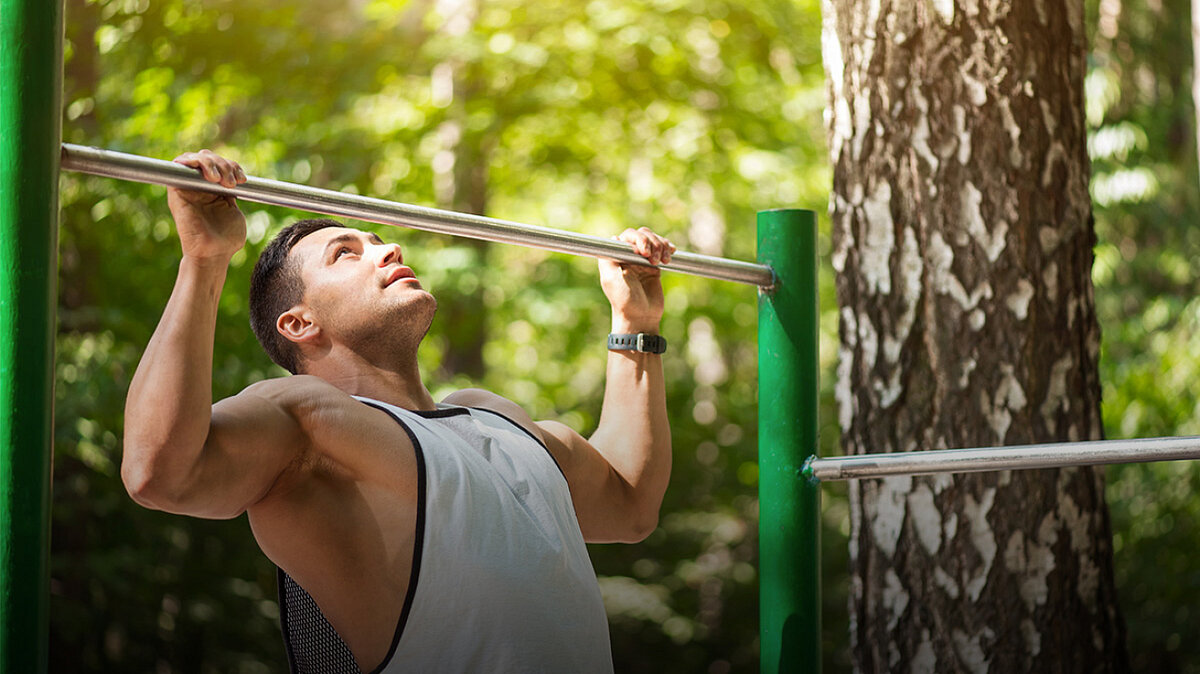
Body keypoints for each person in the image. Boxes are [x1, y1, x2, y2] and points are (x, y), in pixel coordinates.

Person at [121, 149, 674, 673]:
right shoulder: (306, 419)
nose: (389, 251)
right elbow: (160, 472)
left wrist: (635, 325)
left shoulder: (493, 416)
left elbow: (630, 502)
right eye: (346, 253)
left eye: (379, 240)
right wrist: (205, 259)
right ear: (299, 323)